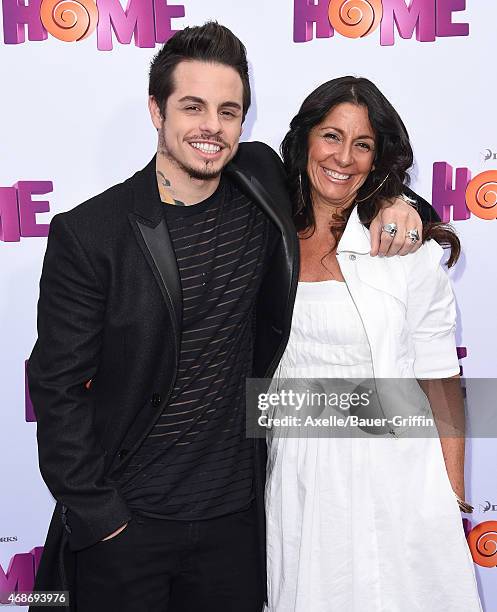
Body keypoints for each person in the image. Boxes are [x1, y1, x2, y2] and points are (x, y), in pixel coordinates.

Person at [27, 24, 433, 612]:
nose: (211, 127)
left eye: (228, 110)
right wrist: (100, 515)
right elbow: (56, 386)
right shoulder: (92, 232)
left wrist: (403, 202)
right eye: (192, 107)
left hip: (237, 528)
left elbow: (343, 181)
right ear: (155, 110)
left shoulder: (262, 182)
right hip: (128, 526)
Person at [264, 76, 482, 611]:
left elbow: (440, 379)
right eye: (331, 137)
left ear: (378, 157)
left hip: (398, 477)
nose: (344, 157)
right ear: (304, 142)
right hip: (298, 475)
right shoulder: (265, 239)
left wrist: (449, 495)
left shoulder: (406, 249)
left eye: (362, 144)